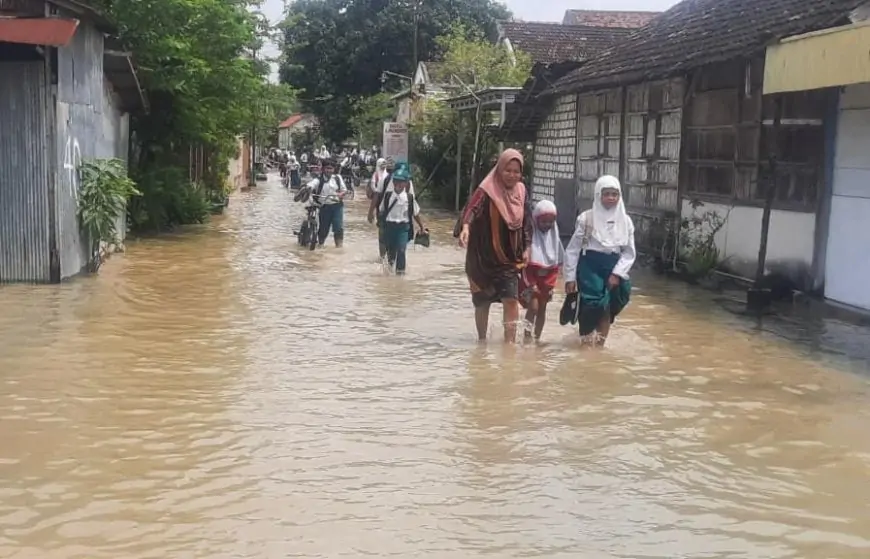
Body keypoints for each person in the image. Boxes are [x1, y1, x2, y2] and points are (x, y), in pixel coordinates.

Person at [458, 149, 532, 344]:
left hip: (508, 259)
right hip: (483, 258)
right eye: (508, 170)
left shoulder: (522, 192)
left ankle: (509, 345)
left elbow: (527, 222)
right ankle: (481, 341)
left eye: (516, 171)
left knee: (511, 300)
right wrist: (466, 226)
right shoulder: (487, 190)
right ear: (499, 170)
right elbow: (472, 208)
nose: (512, 175)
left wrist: (527, 247)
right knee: (482, 302)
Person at [563, 175, 636, 347]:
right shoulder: (586, 219)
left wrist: (617, 274)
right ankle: (586, 347)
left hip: (614, 266)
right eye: (606, 194)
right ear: (598, 195)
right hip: (590, 268)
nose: (611, 198)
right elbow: (573, 250)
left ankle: (600, 347)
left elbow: (629, 253)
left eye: (614, 194)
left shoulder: (626, 222)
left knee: (609, 308)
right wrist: (569, 278)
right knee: (591, 306)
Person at [520, 200, 565, 342]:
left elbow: (556, 266)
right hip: (530, 280)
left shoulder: (554, 239)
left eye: (550, 222)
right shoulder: (529, 240)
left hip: (547, 282)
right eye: (543, 222)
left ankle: (537, 338)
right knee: (532, 308)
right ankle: (527, 337)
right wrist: (531, 284)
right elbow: (525, 266)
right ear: (536, 220)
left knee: (542, 309)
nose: (547, 225)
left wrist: (551, 285)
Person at [377, 163, 426, 275]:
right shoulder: (388, 196)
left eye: (401, 181)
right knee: (391, 254)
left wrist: (422, 227)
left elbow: (415, 213)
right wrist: (380, 225)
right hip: (389, 227)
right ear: (393, 182)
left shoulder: (409, 198)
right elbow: (381, 210)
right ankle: (389, 274)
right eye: (396, 181)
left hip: (403, 229)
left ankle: (400, 275)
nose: (398, 183)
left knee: (402, 250)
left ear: (406, 183)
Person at [306, 159, 347, 247]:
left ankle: (339, 247)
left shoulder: (337, 178)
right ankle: (320, 245)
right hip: (324, 207)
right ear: (323, 169)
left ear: (333, 169)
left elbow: (344, 190)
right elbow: (312, 184)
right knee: (323, 229)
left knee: (338, 228)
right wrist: (307, 188)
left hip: (337, 206)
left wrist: (340, 194)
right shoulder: (318, 179)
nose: (329, 170)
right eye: (327, 168)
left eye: (331, 168)